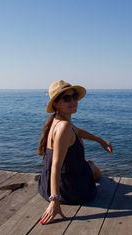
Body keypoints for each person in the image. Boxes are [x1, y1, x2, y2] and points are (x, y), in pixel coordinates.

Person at [38, 80, 113, 225]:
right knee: (95, 170)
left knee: (89, 165)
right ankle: (89, 170)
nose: (73, 100)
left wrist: (101, 141)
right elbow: (56, 167)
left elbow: (78, 132)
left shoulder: (58, 120)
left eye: (74, 96)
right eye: (66, 98)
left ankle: (88, 168)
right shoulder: (64, 127)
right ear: (56, 104)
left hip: (45, 185)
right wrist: (54, 201)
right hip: (70, 190)